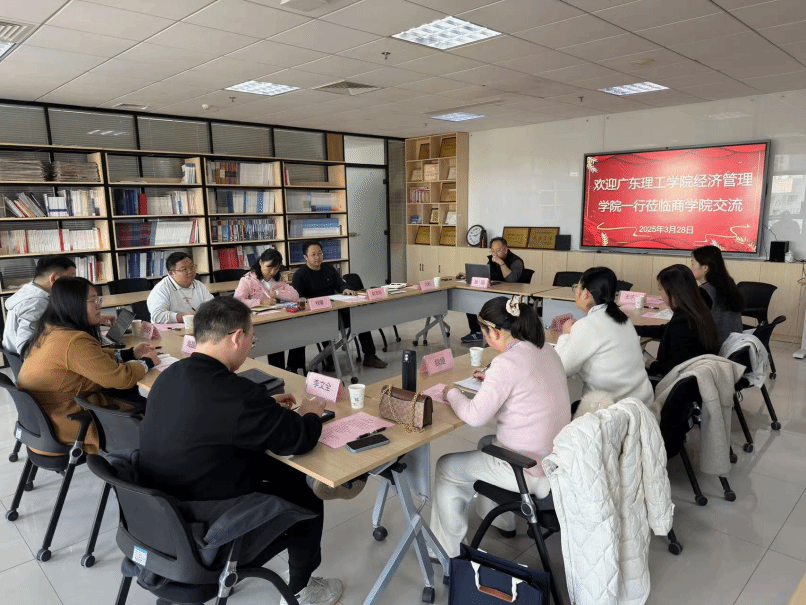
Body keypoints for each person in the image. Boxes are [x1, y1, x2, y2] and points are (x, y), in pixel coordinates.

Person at [139, 297, 348, 605]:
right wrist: (311, 413)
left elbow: (211, 416)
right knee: (304, 488)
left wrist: (264, 408)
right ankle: (302, 590)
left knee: (275, 467)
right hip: (206, 526)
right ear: (237, 337)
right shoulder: (238, 394)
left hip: (159, 512)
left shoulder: (171, 374)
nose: (251, 345)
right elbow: (299, 439)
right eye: (253, 338)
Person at [431, 296, 570, 555]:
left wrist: (451, 393)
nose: (486, 340)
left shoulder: (506, 363)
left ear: (493, 332)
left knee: (446, 467)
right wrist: (492, 380)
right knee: (485, 444)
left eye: (485, 333)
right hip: (557, 462)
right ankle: (500, 520)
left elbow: (474, 417)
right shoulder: (547, 350)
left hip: (529, 470)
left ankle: (445, 551)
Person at [16, 277, 158, 455]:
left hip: (41, 424)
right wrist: (148, 362)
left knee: (129, 395)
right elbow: (120, 379)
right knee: (147, 403)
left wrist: (129, 354)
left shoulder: (50, 329)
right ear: (74, 304)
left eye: (99, 299)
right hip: (67, 421)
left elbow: (90, 358)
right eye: (93, 300)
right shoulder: (73, 340)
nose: (99, 306)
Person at [555, 267, 654, 405]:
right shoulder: (623, 318)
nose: (575, 291)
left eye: (576, 287)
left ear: (585, 294)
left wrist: (566, 334)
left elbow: (561, 369)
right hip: (642, 405)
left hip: (612, 411)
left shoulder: (587, 325)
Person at [287, 241, 387, 373]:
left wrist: (345, 289)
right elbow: (299, 298)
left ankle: (370, 356)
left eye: (320, 254)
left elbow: (340, 283)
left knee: (360, 317)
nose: (317, 257)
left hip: (335, 311)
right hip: (314, 316)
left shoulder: (329, 269)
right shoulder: (300, 275)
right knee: (300, 331)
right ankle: (298, 367)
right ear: (305, 257)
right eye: (313, 255)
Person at [636, 264, 719, 379]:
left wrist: (652, 364)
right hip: (694, 376)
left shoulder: (683, 322)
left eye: (661, 289)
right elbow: (665, 330)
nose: (660, 293)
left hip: (674, 382)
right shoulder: (696, 311)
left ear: (673, 291)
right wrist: (634, 328)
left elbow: (674, 368)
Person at [234, 248, 299, 369]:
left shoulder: (278, 280)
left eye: (276, 269)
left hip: (276, 321)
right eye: (269, 268)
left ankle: (283, 370)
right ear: (261, 263)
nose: (272, 272)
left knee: (288, 340)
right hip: (256, 324)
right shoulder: (247, 280)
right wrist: (261, 302)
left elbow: (295, 296)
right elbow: (237, 301)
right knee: (266, 345)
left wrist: (278, 293)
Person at [3, 255, 77, 354]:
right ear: (53, 278)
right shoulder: (36, 303)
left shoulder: (28, 290)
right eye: (71, 278)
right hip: (31, 361)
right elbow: (25, 348)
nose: (73, 284)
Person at [458, 237, 525, 343]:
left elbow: (511, 279)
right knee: (471, 299)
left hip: (511, 296)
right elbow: (486, 275)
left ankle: (496, 334)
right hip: (494, 291)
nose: (495, 254)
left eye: (498, 250)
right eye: (492, 251)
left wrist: (501, 263)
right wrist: (470, 275)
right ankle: (476, 332)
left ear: (505, 250)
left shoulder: (516, 262)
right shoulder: (492, 260)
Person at [690, 245, 743, 346]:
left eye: (693, 263)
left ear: (705, 268)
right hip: (735, 343)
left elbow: (693, 322)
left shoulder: (705, 291)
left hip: (716, 346)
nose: (690, 268)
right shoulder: (728, 283)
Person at [146, 251, 213, 324]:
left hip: (195, 326)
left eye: (192, 267)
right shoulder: (161, 289)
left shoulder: (199, 285)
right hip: (169, 329)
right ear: (171, 273)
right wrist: (185, 316)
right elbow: (157, 317)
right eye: (184, 269)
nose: (190, 271)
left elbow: (213, 306)